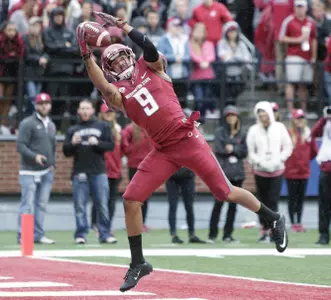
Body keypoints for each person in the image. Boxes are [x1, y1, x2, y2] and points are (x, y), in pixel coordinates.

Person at [76, 12, 289, 292]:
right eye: (114, 62)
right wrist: (85, 54)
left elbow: (150, 49)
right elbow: (101, 84)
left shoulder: (151, 66)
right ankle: (138, 263)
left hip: (188, 139)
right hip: (163, 150)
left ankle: (273, 218)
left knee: (225, 192)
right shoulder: (117, 93)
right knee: (130, 199)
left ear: (130, 54)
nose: (122, 62)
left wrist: (126, 27)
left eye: (123, 56)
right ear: (110, 68)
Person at [62, 99, 116, 245]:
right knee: (80, 206)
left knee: (102, 204)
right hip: (79, 173)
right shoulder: (73, 129)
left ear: (92, 111)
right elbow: (66, 152)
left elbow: (111, 145)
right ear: (78, 111)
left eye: (87, 108)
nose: (85, 111)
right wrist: (72, 143)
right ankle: (81, 234)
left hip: (99, 172)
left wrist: (97, 143)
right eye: (82, 108)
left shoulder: (103, 126)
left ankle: (105, 234)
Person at [246, 101, 292, 243]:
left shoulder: (279, 127)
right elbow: (250, 151)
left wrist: (280, 159)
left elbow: (288, 146)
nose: (262, 114)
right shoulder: (253, 129)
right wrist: (257, 161)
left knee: (273, 202)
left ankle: (274, 231)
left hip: (277, 170)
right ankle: (264, 230)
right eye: (259, 112)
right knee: (260, 202)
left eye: (264, 111)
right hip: (260, 171)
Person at [16, 93, 56, 244]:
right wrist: (35, 156)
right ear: (36, 105)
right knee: (27, 204)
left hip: (46, 172)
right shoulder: (27, 123)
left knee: (41, 205)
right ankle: (23, 236)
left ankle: (38, 235)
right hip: (28, 171)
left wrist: (53, 163)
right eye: (41, 103)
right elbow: (20, 146)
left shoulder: (51, 124)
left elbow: (52, 147)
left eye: (46, 103)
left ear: (50, 105)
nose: (44, 106)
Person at [207, 105, 247, 244]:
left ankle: (227, 234)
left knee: (233, 206)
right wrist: (234, 149)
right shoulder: (220, 132)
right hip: (222, 174)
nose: (231, 118)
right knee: (218, 204)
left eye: (233, 115)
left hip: (237, 174)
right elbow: (218, 149)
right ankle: (212, 234)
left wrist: (233, 148)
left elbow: (244, 151)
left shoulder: (242, 133)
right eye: (229, 116)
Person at [91, 103, 124, 241]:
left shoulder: (118, 129)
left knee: (111, 201)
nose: (109, 114)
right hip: (101, 169)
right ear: (101, 114)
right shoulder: (97, 128)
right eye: (107, 112)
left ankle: (107, 226)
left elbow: (122, 151)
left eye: (111, 112)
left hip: (115, 170)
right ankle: (97, 225)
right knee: (99, 200)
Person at [285, 109, 318, 232]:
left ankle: (299, 221)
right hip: (291, 173)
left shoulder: (308, 134)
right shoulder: (288, 134)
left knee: (300, 199)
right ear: (293, 120)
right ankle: (293, 222)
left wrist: (304, 162)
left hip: (303, 172)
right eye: (298, 118)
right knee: (292, 198)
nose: (300, 120)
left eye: (302, 118)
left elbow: (314, 152)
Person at [122, 122, 153, 231]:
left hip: (148, 166)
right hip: (134, 167)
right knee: (134, 196)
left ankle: (142, 223)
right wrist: (132, 151)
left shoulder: (149, 127)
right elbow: (124, 145)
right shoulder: (130, 129)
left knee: (145, 197)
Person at [166, 167, 205, 244]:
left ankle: (192, 234)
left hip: (187, 176)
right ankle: (173, 235)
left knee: (189, 207)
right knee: (173, 206)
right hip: (172, 176)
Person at [311, 106, 331, 245]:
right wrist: (324, 118)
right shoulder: (326, 122)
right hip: (326, 167)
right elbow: (314, 133)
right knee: (324, 204)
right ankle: (323, 235)